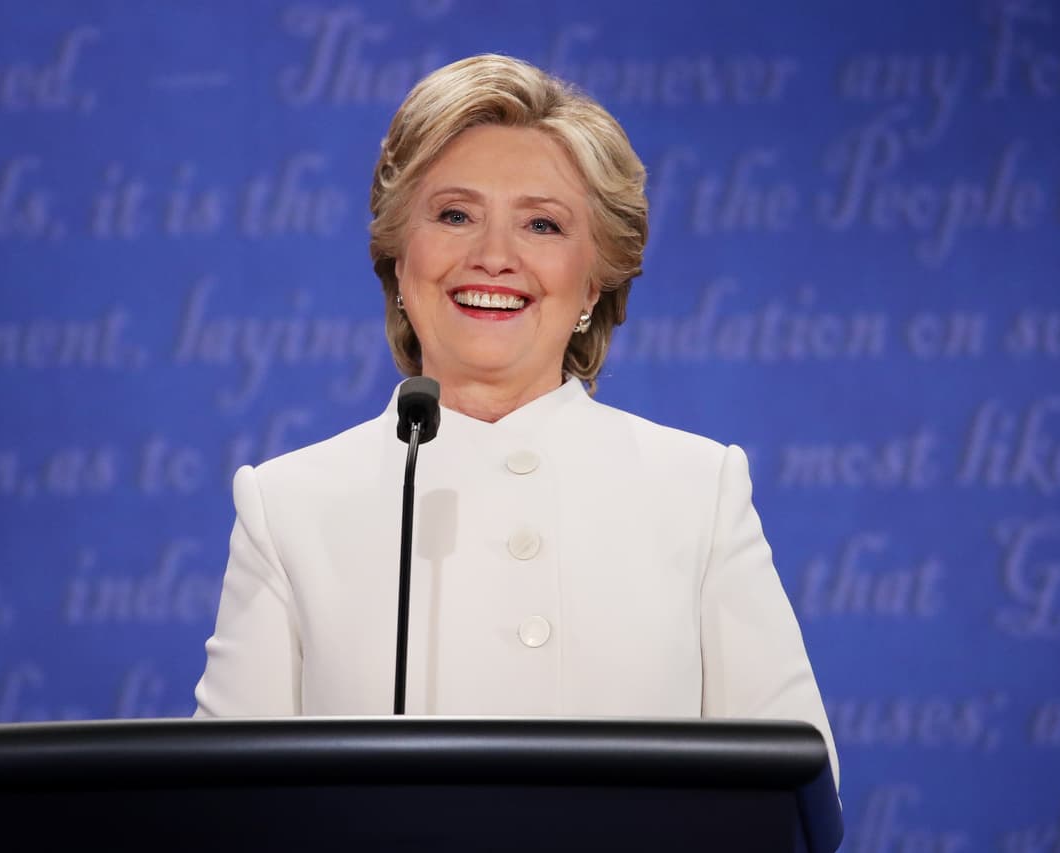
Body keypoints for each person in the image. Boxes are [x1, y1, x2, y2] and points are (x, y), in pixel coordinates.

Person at [193, 53, 838, 786]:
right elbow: (228, 804)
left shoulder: (698, 489)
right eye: (456, 215)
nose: (495, 257)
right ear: (400, 260)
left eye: (541, 224)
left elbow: (793, 785)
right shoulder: (288, 505)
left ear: (594, 280)